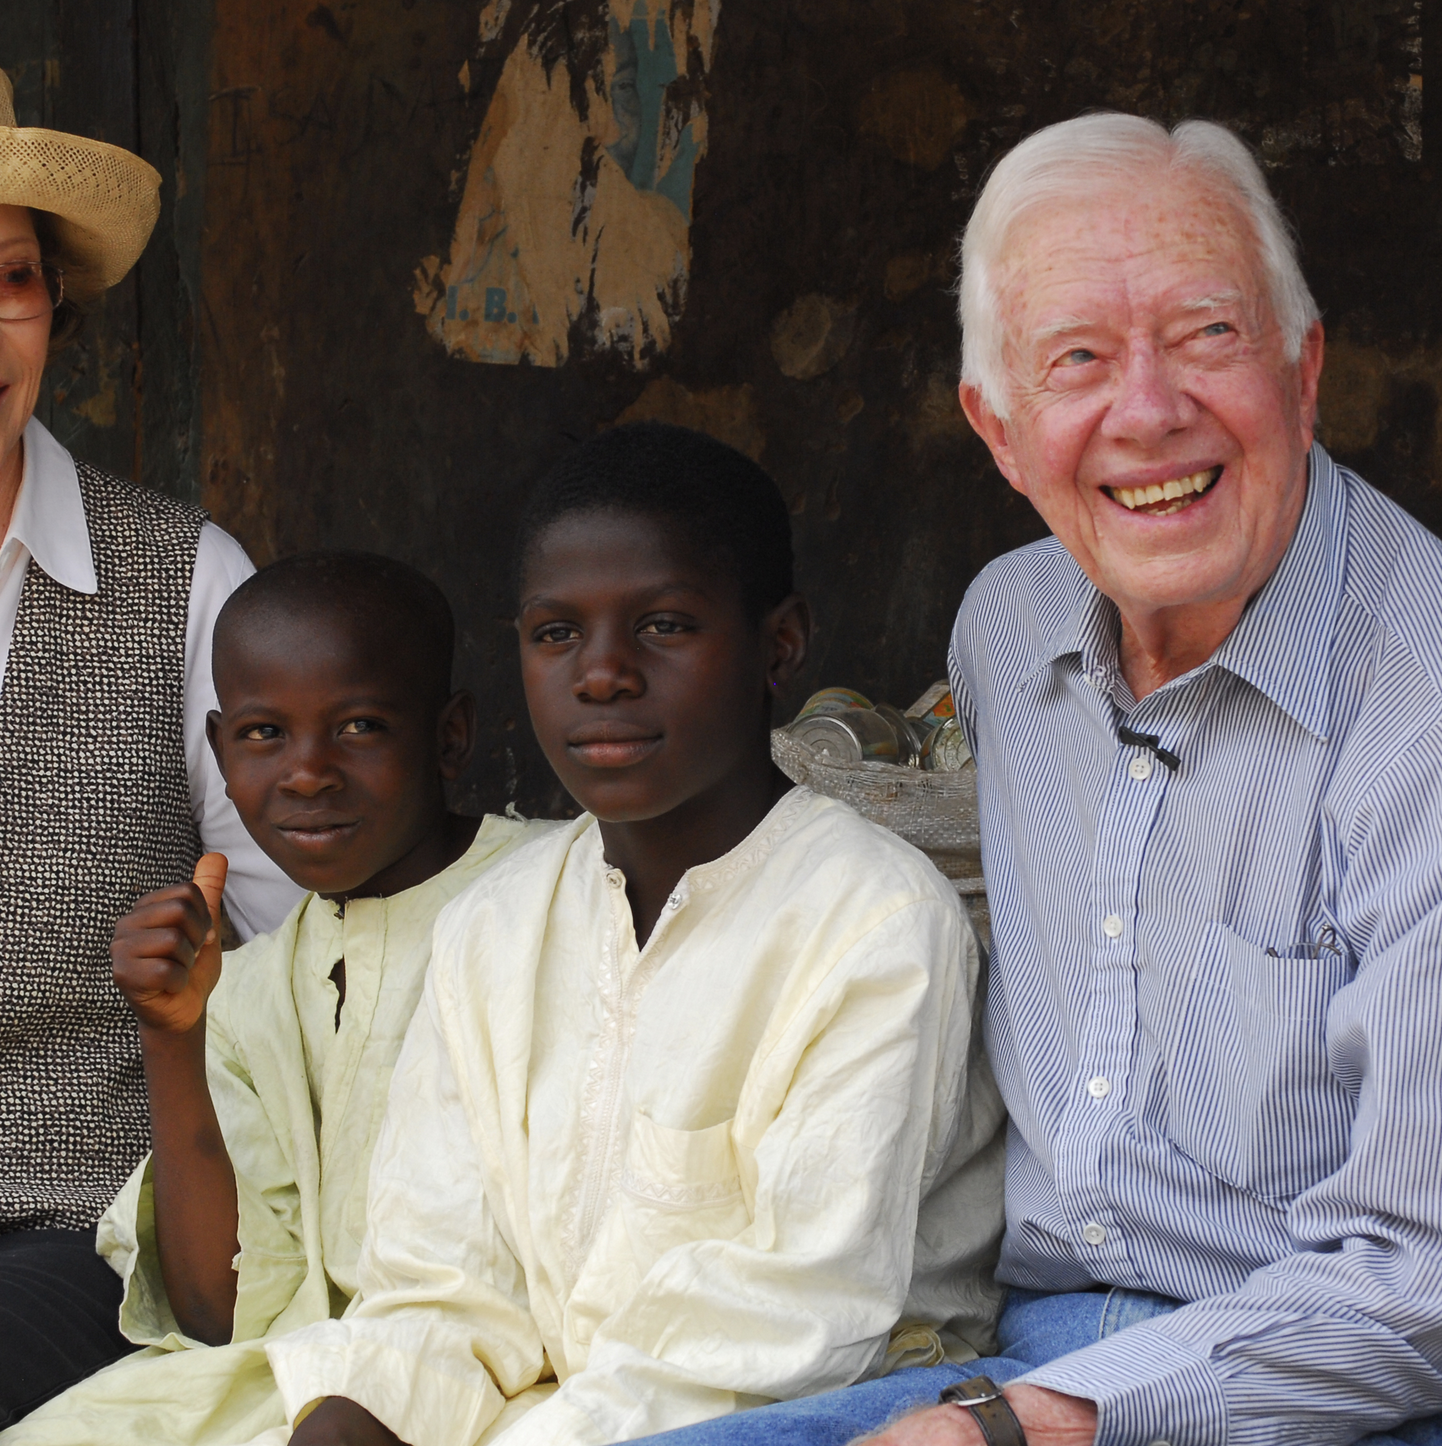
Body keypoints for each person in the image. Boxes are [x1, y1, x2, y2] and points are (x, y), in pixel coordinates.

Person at [627, 115, 1442, 1446]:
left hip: (1329, 1379)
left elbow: (1425, 1281)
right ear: (999, 432)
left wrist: (1029, 1425)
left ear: (1302, 375)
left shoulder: (1424, 705)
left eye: (1204, 336)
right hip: (1016, 1347)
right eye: (1076, 359)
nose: (1146, 410)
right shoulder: (1008, 629)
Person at [262, 422, 1007, 1446]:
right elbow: (441, 1290)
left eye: (662, 625)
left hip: (838, 1416)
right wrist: (352, 1419)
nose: (601, 674)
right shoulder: (494, 929)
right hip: (569, 1418)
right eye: (556, 634)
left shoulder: (874, 921)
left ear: (779, 645)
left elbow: (790, 1324)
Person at [0, 552, 553, 1446]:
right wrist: (172, 1037)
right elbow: (220, 1313)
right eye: (263, 735)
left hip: (511, 1383)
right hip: (289, 1386)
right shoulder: (251, 985)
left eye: (361, 726)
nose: (307, 774)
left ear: (450, 735)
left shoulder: (553, 896)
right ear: (217, 751)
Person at [0, 69, 300, 1426]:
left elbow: (289, 943)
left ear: (55, 308)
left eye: (6, 280)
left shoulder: (184, 582)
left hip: (92, 1226)